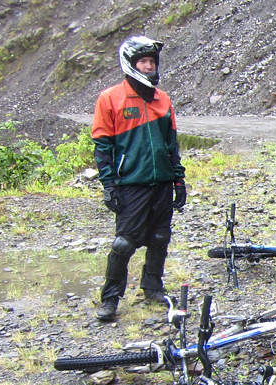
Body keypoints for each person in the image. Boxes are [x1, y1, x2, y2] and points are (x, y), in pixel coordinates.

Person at [92, 35, 186, 322]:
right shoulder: (110, 98)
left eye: (151, 61)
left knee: (160, 237)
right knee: (124, 243)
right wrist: (109, 185)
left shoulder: (163, 99)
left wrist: (179, 179)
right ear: (131, 64)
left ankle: (152, 287)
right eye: (143, 61)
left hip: (161, 182)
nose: (148, 66)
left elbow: (171, 143)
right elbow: (102, 145)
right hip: (131, 183)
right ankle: (110, 298)